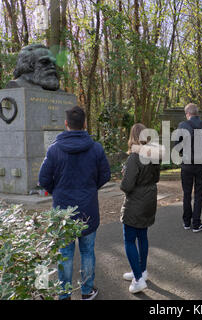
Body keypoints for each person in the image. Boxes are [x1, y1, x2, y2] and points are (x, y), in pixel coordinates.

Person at [39, 106, 111, 300]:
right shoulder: (95, 148)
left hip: (63, 211)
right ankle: (87, 291)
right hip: (88, 208)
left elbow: (43, 179)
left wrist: (58, 191)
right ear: (85, 124)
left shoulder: (54, 149)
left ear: (66, 124)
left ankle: (64, 295)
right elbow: (105, 175)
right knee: (87, 251)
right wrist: (90, 188)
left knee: (65, 253)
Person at [120, 123, 162, 294]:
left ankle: (138, 279)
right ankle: (141, 271)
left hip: (136, 201)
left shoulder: (134, 158)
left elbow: (127, 185)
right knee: (142, 236)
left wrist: (124, 176)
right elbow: (156, 177)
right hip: (149, 199)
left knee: (129, 239)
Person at [176, 103, 202, 233]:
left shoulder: (183, 126)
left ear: (188, 114)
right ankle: (196, 224)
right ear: (197, 113)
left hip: (187, 164)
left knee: (186, 194)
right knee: (198, 194)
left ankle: (186, 222)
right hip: (201, 164)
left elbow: (177, 144)